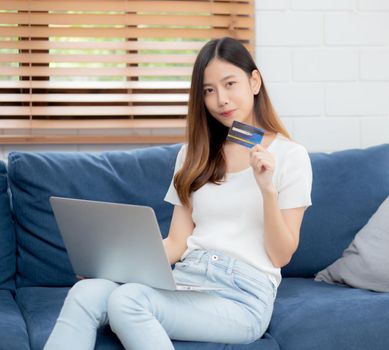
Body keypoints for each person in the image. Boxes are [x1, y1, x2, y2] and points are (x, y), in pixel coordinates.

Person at [44, 36, 313, 350]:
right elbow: (176, 242)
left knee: (129, 301)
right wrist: (111, 270)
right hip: (188, 277)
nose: (221, 100)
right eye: (209, 91)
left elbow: (281, 255)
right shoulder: (193, 155)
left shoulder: (291, 156)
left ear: (254, 81)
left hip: (243, 295)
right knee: (85, 293)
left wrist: (267, 190)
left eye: (230, 84)